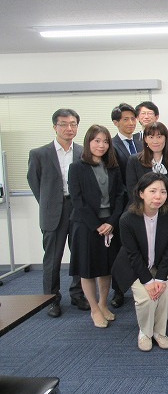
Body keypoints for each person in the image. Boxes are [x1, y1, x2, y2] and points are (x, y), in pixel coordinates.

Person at [27, 108, 89, 317]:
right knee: (52, 258)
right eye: (63, 124)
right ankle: (51, 299)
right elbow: (34, 182)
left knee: (80, 254)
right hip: (53, 210)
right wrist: (48, 203)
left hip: (78, 209)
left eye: (73, 124)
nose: (68, 128)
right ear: (55, 127)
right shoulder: (39, 154)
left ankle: (78, 294)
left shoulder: (83, 152)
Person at [112, 173, 168, 351]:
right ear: (141, 193)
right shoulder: (127, 219)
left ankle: (159, 332)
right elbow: (133, 255)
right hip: (134, 267)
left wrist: (160, 278)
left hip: (159, 265)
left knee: (166, 293)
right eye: (152, 191)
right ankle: (145, 332)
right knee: (147, 298)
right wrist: (148, 282)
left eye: (163, 192)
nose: (158, 196)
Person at [68, 124, 125, 328]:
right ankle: (94, 308)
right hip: (86, 226)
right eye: (97, 141)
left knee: (106, 268)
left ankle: (103, 304)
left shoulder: (113, 166)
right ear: (88, 142)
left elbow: (120, 195)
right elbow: (77, 200)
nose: (101, 145)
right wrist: (96, 225)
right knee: (87, 269)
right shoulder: (77, 167)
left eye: (105, 141)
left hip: (110, 224)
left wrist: (111, 222)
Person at [109, 102, 143, 307]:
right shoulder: (111, 145)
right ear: (116, 122)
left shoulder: (141, 142)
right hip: (122, 204)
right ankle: (118, 291)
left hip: (142, 204)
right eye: (125, 119)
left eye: (133, 118)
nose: (131, 122)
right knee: (120, 251)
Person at [126, 122, 168, 201]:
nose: (155, 141)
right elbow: (132, 190)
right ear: (145, 139)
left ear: (166, 138)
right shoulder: (134, 160)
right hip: (141, 205)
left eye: (159, 137)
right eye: (151, 137)